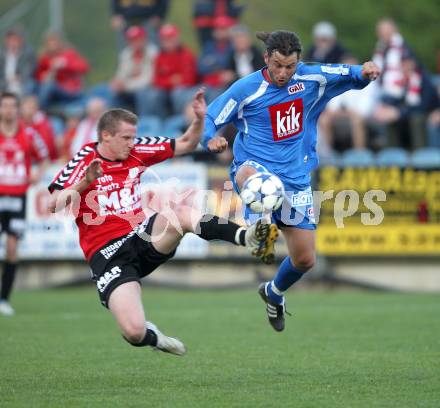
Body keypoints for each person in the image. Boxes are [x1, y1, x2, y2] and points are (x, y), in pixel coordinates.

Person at [47, 89, 276, 355]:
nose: (132, 143)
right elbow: (55, 203)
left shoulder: (136, 150)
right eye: (125, 138)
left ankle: (247, 237)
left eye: (134, 136)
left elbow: (187, 143)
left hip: (140, 237)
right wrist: (86, 181)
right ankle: (154, 337)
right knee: (133, 332)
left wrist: (199, 119)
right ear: (106, 136)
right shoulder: (85, 159)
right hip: (107, 255)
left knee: (178, 213)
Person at [201, 30, 380, 332]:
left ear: (299, 61)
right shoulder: (247, 88)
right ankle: (259, 226)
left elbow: (349, 74)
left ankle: (273, 293)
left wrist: (366, 71)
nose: (284, 73)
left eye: (290, 66)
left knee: (305, 260)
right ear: (266, 58)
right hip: (254, 167)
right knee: (249, 176)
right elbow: (212, 116)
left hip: (295, 177)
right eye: (278, 65)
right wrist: (211, 139)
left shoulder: (311, 78)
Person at [0, 92, 48, 316]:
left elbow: (44, 157)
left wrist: (38, 174)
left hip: (18, 197)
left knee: (11, 248)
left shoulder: (29, 134)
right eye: (5, 106)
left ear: (17, 110)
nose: (8, 110)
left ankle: (4, 299)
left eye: (12, 106)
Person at [35, 31, 89, 111]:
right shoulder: (44, 58)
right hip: (53, 92)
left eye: (54, 41)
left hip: (70, 90)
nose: (52, 45)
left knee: (49, 86)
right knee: (36, 86)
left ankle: (39, 111)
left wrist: (65, 64)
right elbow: (38, 74)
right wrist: (44, 76)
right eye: (50, 42)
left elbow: (84, 67)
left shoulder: (68, 54)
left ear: (60, 42)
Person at [110, 25, 158, 115]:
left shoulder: (153, 53)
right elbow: (121, 74)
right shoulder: (126, 53)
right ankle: (115, 122)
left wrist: (126, 86)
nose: (135, 43)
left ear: (144, 39)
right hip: (129, 89)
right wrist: (116, 83)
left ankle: (145, 120)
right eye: (132, 40)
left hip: (147, 89)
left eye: (138, 39)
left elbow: (149, 80)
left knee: (143, 93)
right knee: (111, 92)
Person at [0, 27, 36, 96]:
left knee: (29, 85)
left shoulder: (28, 52)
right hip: (4, 81)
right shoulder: (2, 53)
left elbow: (28, 70)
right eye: (11, 39)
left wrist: (18, 77)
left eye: (16, 39)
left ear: (21, 40)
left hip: (21, 80)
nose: (13, 42)